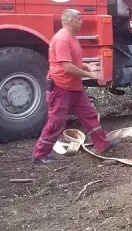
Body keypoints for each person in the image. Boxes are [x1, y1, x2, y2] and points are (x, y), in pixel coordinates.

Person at [32, 9, 118, 164]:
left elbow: (73, 62)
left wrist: (87, 66)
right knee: (56, 121)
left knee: (89, 115)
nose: (82, 21)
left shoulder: (71, 38)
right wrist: (91, 75)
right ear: (70, 21)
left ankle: (103, 145)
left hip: (74, 86)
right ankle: (39, 155)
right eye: (79, 19)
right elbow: (67, 67)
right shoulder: (62, 39)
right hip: (61, 86)